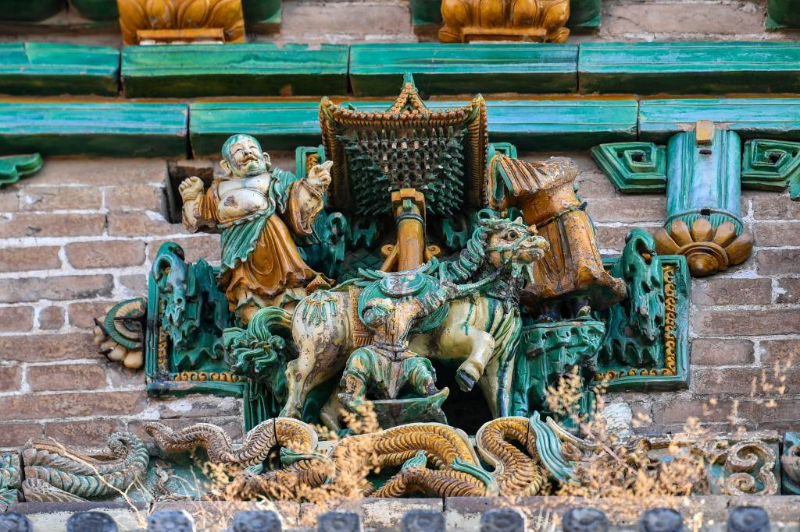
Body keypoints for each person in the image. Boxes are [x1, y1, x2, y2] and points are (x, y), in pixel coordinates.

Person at [179, 134, 332, 323]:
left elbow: (296, 209)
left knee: (290, 292)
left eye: (252, 148)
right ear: (226, 166)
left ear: (265, 158)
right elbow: (196, 219)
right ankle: (252, 311)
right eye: (239, 151)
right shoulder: (218, 191)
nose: (247, 153)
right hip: (240, 254)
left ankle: (291, 305)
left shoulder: (276, 180)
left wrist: (314, 184)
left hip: (278, 247)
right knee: (247, 300)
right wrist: (191, 196)